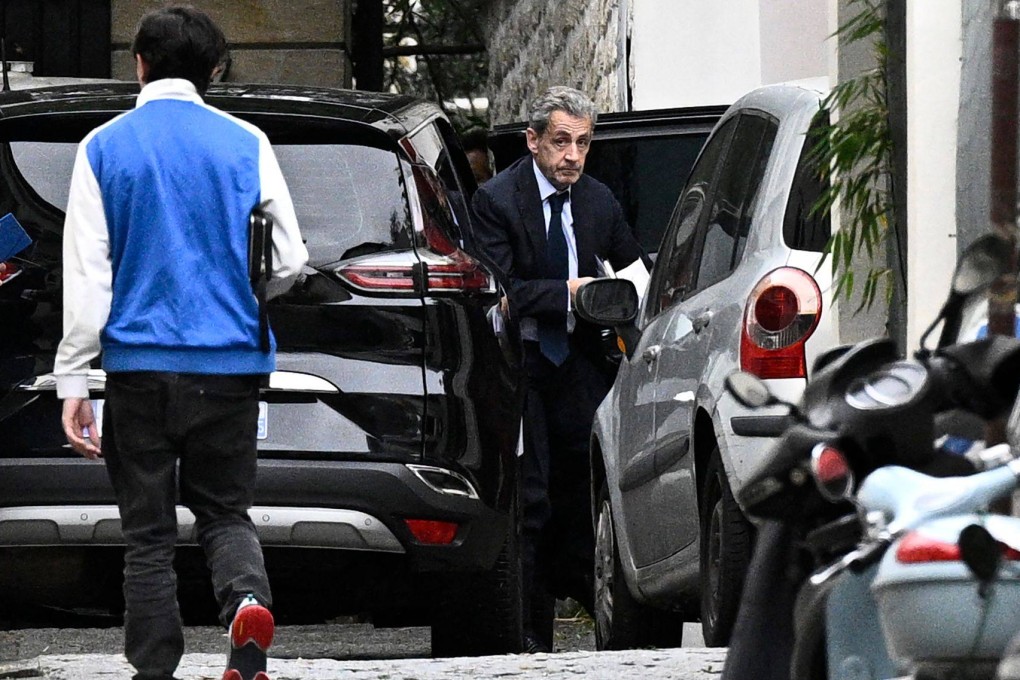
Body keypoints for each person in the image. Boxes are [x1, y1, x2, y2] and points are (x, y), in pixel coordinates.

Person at [53, 7, 308, 680]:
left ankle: (154, 669)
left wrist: (74, 381)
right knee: (225, 509)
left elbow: (87, 274)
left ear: (138, 63)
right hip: (228, 365)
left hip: (138, 369)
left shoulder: (102, 147)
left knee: (147, 535)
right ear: (214, 70)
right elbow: (288, 259)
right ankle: (247, 601)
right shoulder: (246, 141)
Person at [471, 86, 647, 653]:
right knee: (532, 497)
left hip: (582, 363)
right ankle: (528, 634)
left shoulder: (598, 200)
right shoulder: (498, 200)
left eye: (583, 144)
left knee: (588, 487)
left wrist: (629, 301)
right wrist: (571, 293)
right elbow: (503, 292)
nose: (572, 155)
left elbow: (634, 270)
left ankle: (606, 623)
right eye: (561, 142)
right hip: (523, 366)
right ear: (534, 141)